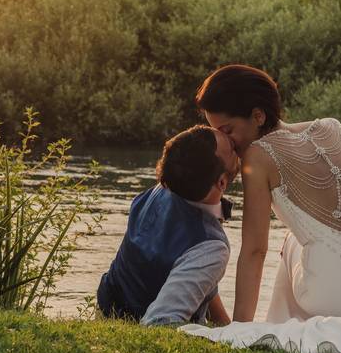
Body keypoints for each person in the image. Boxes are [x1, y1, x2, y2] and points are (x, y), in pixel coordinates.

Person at [195, 64, 341, 323]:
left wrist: (240, 328)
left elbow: (255, 251)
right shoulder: (331, 126)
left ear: (258, 116)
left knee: (292, 241)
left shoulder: (257, 157)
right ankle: (284, 322)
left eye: (227, 131)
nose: (226, 142)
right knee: (311, 235)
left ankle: (277, 324)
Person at [96, 125, 239, 326]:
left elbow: (197, 275)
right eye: (232, 148)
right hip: (135, 324)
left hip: (106, 308)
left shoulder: (160, 190)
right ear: (222, 183)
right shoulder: (210, 245)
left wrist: (226, 325)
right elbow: (159, 322)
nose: (236, 145)